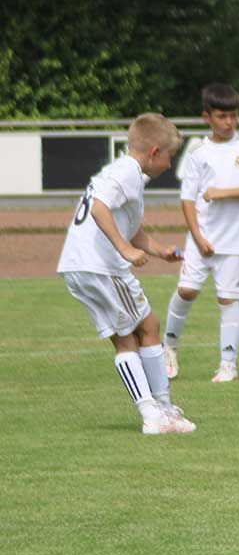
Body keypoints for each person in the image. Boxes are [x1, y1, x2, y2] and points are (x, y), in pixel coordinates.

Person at [57, 113, 197, 434]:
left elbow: (131, 229)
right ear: (154, 152)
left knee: (143, 328)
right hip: (101, 267)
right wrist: (124, 250)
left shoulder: (122, 171)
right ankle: (155, 413)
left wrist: (160, 251)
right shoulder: (128, 172)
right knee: (134, 334)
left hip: (80, 265)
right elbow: (99, 208)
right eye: (170, 156)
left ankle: (160, 409)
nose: (170, 164)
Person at [163, 83, 239, 383]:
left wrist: (222, 193)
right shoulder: (198, 152)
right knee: (187, 291)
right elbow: (187, 200)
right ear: (206, 117)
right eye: (222, 116)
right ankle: (168, 349)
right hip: (201, 239)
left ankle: (228, 365)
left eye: (233, 116)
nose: (229, 122)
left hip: (236, 241)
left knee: (228, 299)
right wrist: (198, 238)